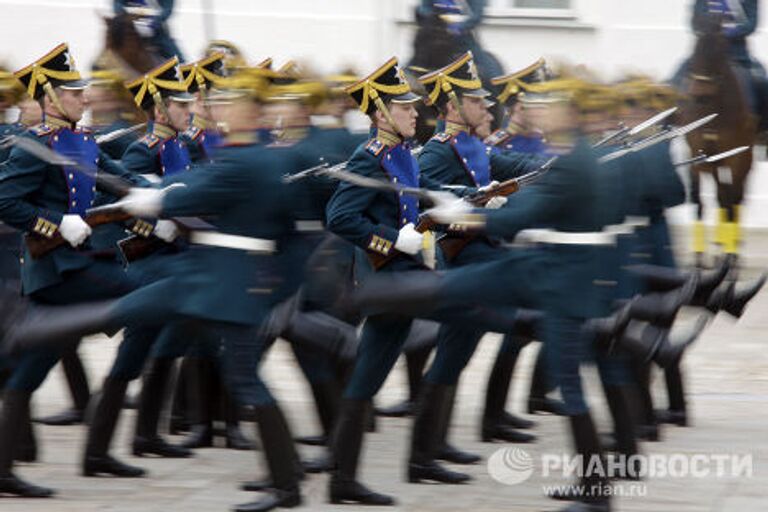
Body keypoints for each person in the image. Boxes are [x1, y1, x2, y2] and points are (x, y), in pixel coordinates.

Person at [0, 42, 153, 497]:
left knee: (34, 367)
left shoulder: (82, 140)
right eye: (73, 94)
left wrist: (161, 191)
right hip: (56, 270)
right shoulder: (33, 146)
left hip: (77, 267)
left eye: (82, 92)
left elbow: (115, 175)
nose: (83, 99)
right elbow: (5, 199)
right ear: (49, 100)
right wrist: (52, 223)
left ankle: (13, 470)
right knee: (144, 299)